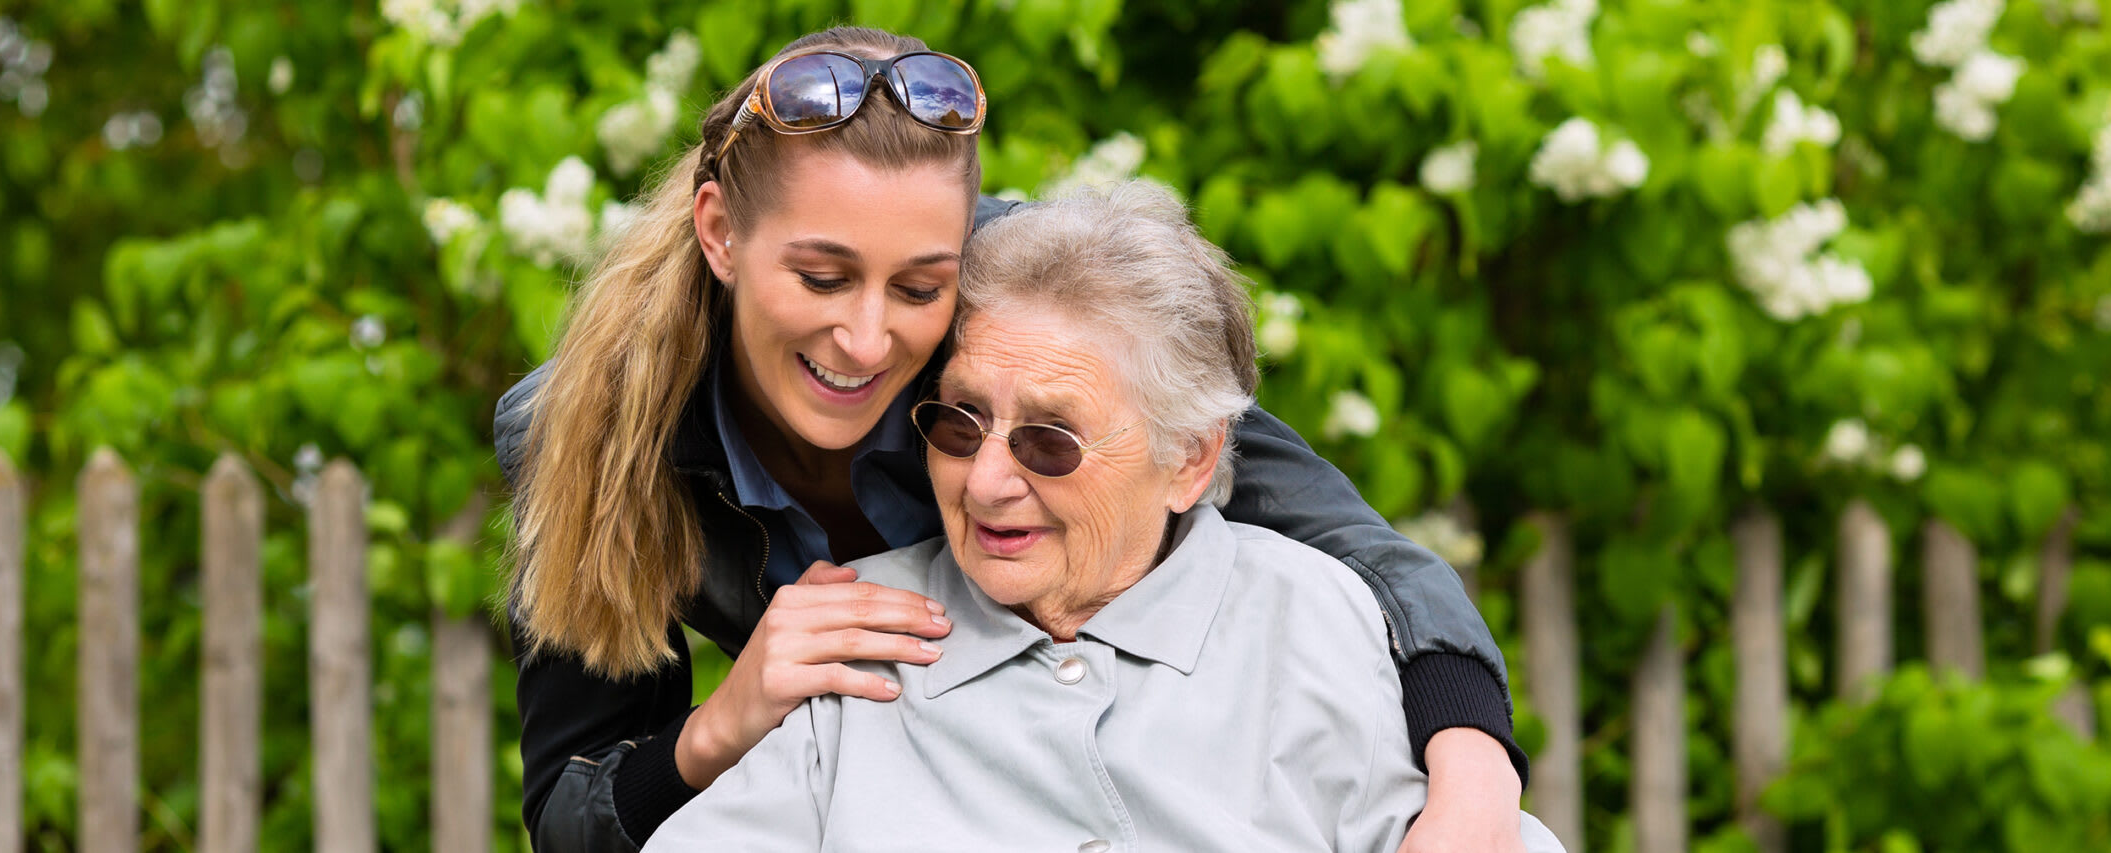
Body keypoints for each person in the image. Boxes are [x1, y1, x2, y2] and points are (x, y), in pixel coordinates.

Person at [495, 26, 1528, 853]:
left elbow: (1361, 553)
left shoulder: (1026, 304)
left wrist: (1475, 778)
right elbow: (571, 816)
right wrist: (725, 721)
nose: (865, 338)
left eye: (918, 288)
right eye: (820, 278)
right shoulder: (581, 429)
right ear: (720, 233)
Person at [646, 180, 1564, 853]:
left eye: (1051, 440)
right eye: (959, 423)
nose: (988, 481)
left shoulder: (1315, 621)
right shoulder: (861, 627)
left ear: (1190, 459)